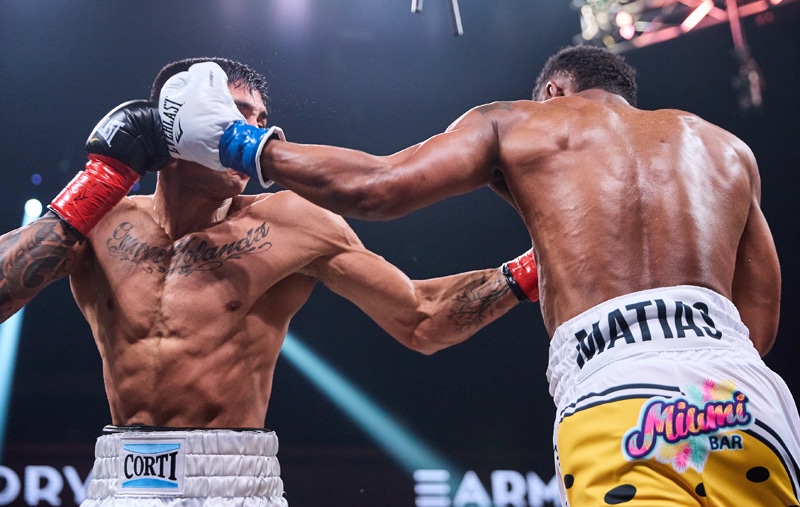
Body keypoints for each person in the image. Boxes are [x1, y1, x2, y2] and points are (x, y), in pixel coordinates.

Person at [164, 46, 800, 505]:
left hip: (623, 398)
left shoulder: (520, 121)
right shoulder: (722, 148)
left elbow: (377, 189)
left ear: (552, 92)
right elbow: (760, 326)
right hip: (746, 397)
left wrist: (239, 142)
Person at [0, 57, 539, 507]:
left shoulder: (290, 220)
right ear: (177, 126)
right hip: (119, 480)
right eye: (236, 113)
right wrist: (98, 182)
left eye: (260, 118)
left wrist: (542, 265)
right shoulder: (106, 220)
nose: (252, 131)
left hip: (232, 481)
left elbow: (423, 318)